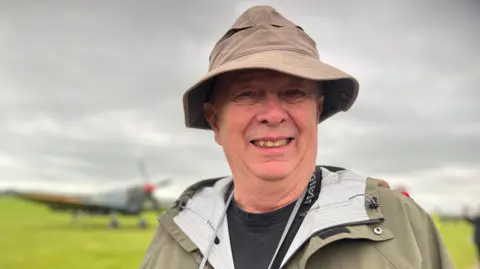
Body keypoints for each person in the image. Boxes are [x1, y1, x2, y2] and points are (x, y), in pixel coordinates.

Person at [139, 5, 454, 269]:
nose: (274, 114)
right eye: (247, 94)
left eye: (294, 93)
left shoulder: (402, 225)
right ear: (214, 120)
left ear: (316, 111)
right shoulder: (173, 240)